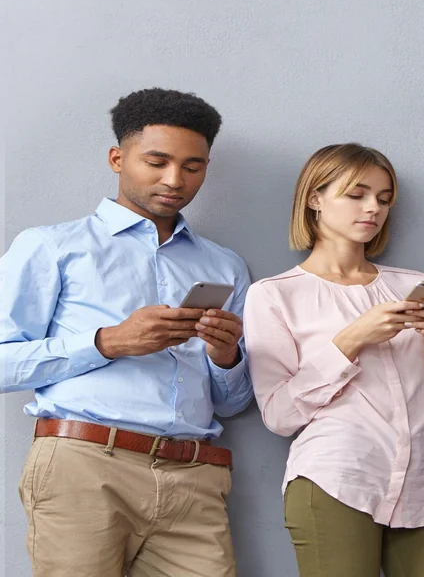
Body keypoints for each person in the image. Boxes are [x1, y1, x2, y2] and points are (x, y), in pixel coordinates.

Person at [0, 87, 253, 576]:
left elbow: (233, 403)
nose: (174, 180)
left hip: (195, 476)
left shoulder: (225, 266)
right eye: (156, 162)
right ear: (118, 158)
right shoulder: (51, 247)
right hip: (84, 466)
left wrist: (226, 359)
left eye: (193, 167)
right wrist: (109, 341)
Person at [243, 143, 424, 577]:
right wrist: (351, 340)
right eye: (357, 194)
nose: (373, 208)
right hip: (336, 479)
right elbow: (278, 414)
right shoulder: (275, 295)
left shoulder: (417, 284)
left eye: (384, 199)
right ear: (315, 198)